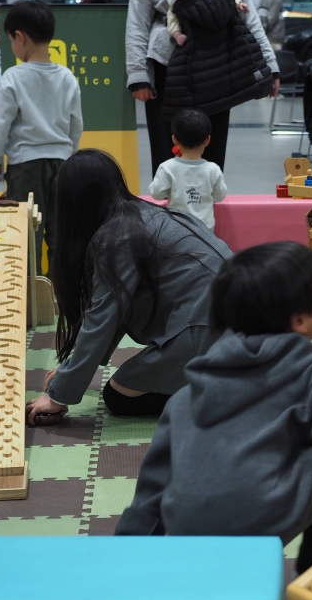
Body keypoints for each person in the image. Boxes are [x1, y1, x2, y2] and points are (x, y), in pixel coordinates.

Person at [113, 242, 312, 573]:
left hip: (190, 532)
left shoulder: (188, 393)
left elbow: (153, 483)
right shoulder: (306, 374)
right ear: (299, 319)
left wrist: (130, 551)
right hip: (257, 526)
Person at [24, 149, 232, 425]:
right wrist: (70, 371)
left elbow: (102, 317)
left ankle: (228, 393)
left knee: (118, 395)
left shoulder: (115, 237)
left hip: (206, 329)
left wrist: (58, 396)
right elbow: (118, 311)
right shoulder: (144, 215)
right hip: (237, 322)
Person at [126, 0, 280, 175]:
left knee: (212, 153)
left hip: (218, 63)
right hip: (167, 66)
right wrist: (138, 75)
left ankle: (208, 201)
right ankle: (166, 202)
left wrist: (271, 66)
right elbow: (137, 24)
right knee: (166, 155)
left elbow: (249, 18)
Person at [0, 0, 82, 277]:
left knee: (27, 230)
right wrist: (70, 154)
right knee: (60, 229)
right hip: (62, 163)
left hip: (25, 166)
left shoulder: (13, 78)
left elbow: (1, 122)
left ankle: (29, 292)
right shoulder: (67, 77)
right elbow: (76, 124)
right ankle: (60, 292)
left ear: (20, 37)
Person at [162, 0, 275, 123]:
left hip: (199, 69)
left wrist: (177, 35)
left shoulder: (177, 8)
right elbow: (233, 0)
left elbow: (171, 23)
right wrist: (239, 4)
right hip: (229, 59)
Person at [149, 108, 227, 230]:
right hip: (205, 227)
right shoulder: (213, 169)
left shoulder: (167, 167)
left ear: (174, 139)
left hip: (176, 226)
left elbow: (157, 194)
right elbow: (219, 196)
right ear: (207, 140)